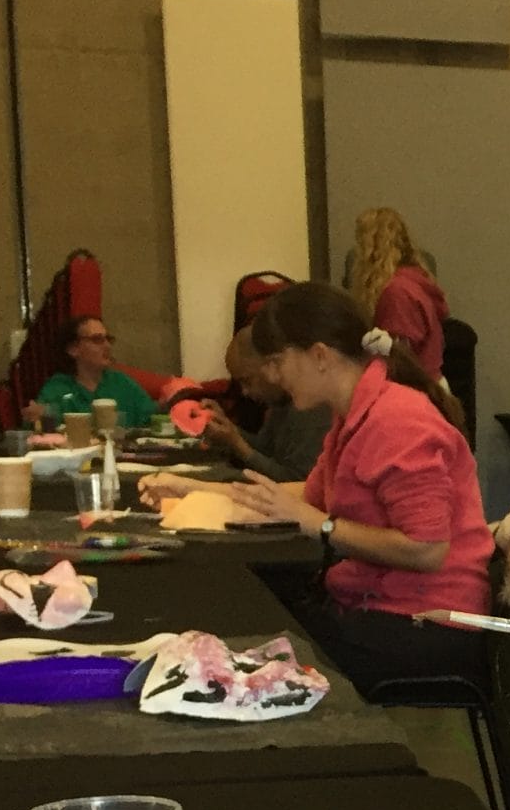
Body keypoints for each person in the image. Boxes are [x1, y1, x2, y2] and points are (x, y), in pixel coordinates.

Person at [216, 282, 494, 692]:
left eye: (277, 361)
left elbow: (428, 550)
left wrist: (321, 526)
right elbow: (304, 496)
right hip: (383, 606)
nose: (272, 375)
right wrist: (187, 490)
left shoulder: (397, 420)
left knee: (252, 657)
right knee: (249, 614)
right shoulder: (353, 416)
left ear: (320, 356)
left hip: (427, 622)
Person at [196, 325, 329, 482]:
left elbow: (296, 483)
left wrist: (238, 444)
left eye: (248, 381)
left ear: (271, 366)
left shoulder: (311, 405)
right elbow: (265, 449)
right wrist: (228, 429)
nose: (245, 391)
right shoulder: (280, 402)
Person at [351, 206, 449, 382]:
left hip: (415, 388)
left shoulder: (396, 293)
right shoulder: (415, 280)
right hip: (429, 383)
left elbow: (400, 357)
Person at [29, 315, 158, 431]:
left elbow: (153, 421)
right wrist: (37, 417)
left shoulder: (123, 384)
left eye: (108, 339)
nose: (107, 346)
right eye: (97, 340)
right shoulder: (57, 389)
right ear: (73, 349)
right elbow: (38, 428)